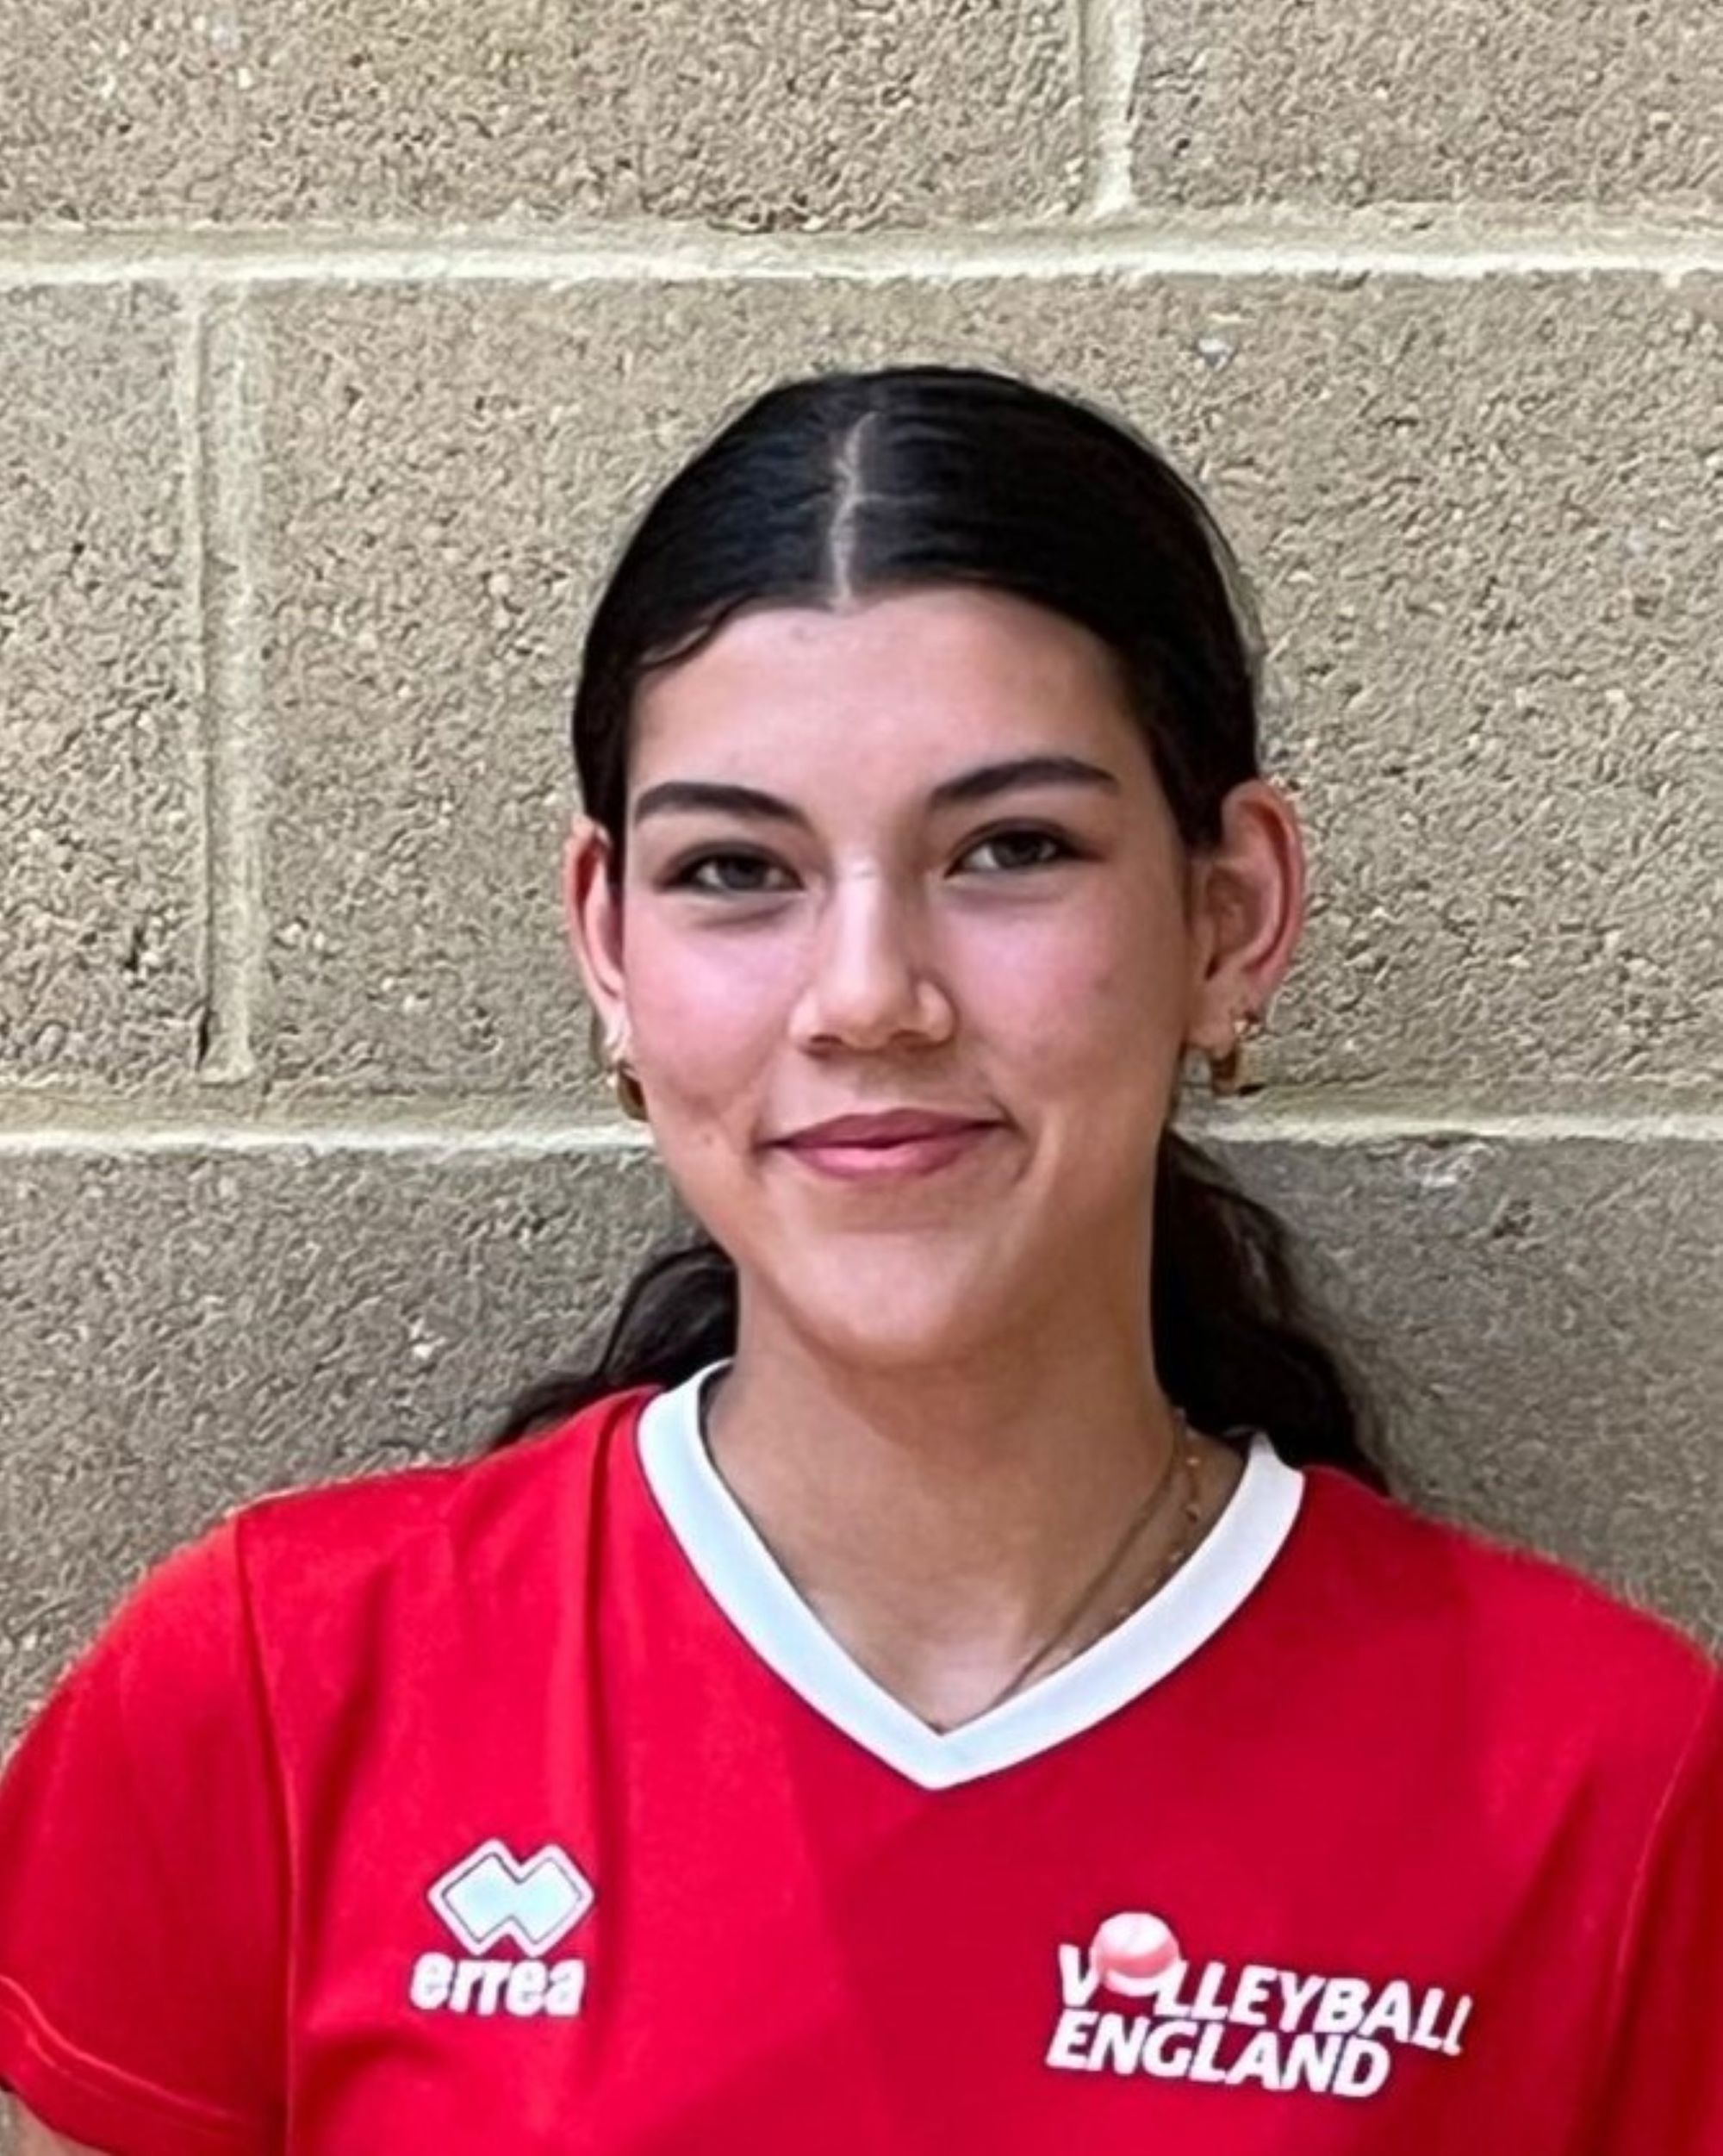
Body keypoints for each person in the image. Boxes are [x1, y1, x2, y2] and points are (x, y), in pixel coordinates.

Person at [1, 364, 1718, 2156]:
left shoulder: (1604, 1784)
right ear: (608, 945)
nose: (866, 998)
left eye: (1010, 850)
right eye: (737, 871)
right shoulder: (277, 1688)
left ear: (1232, 917)